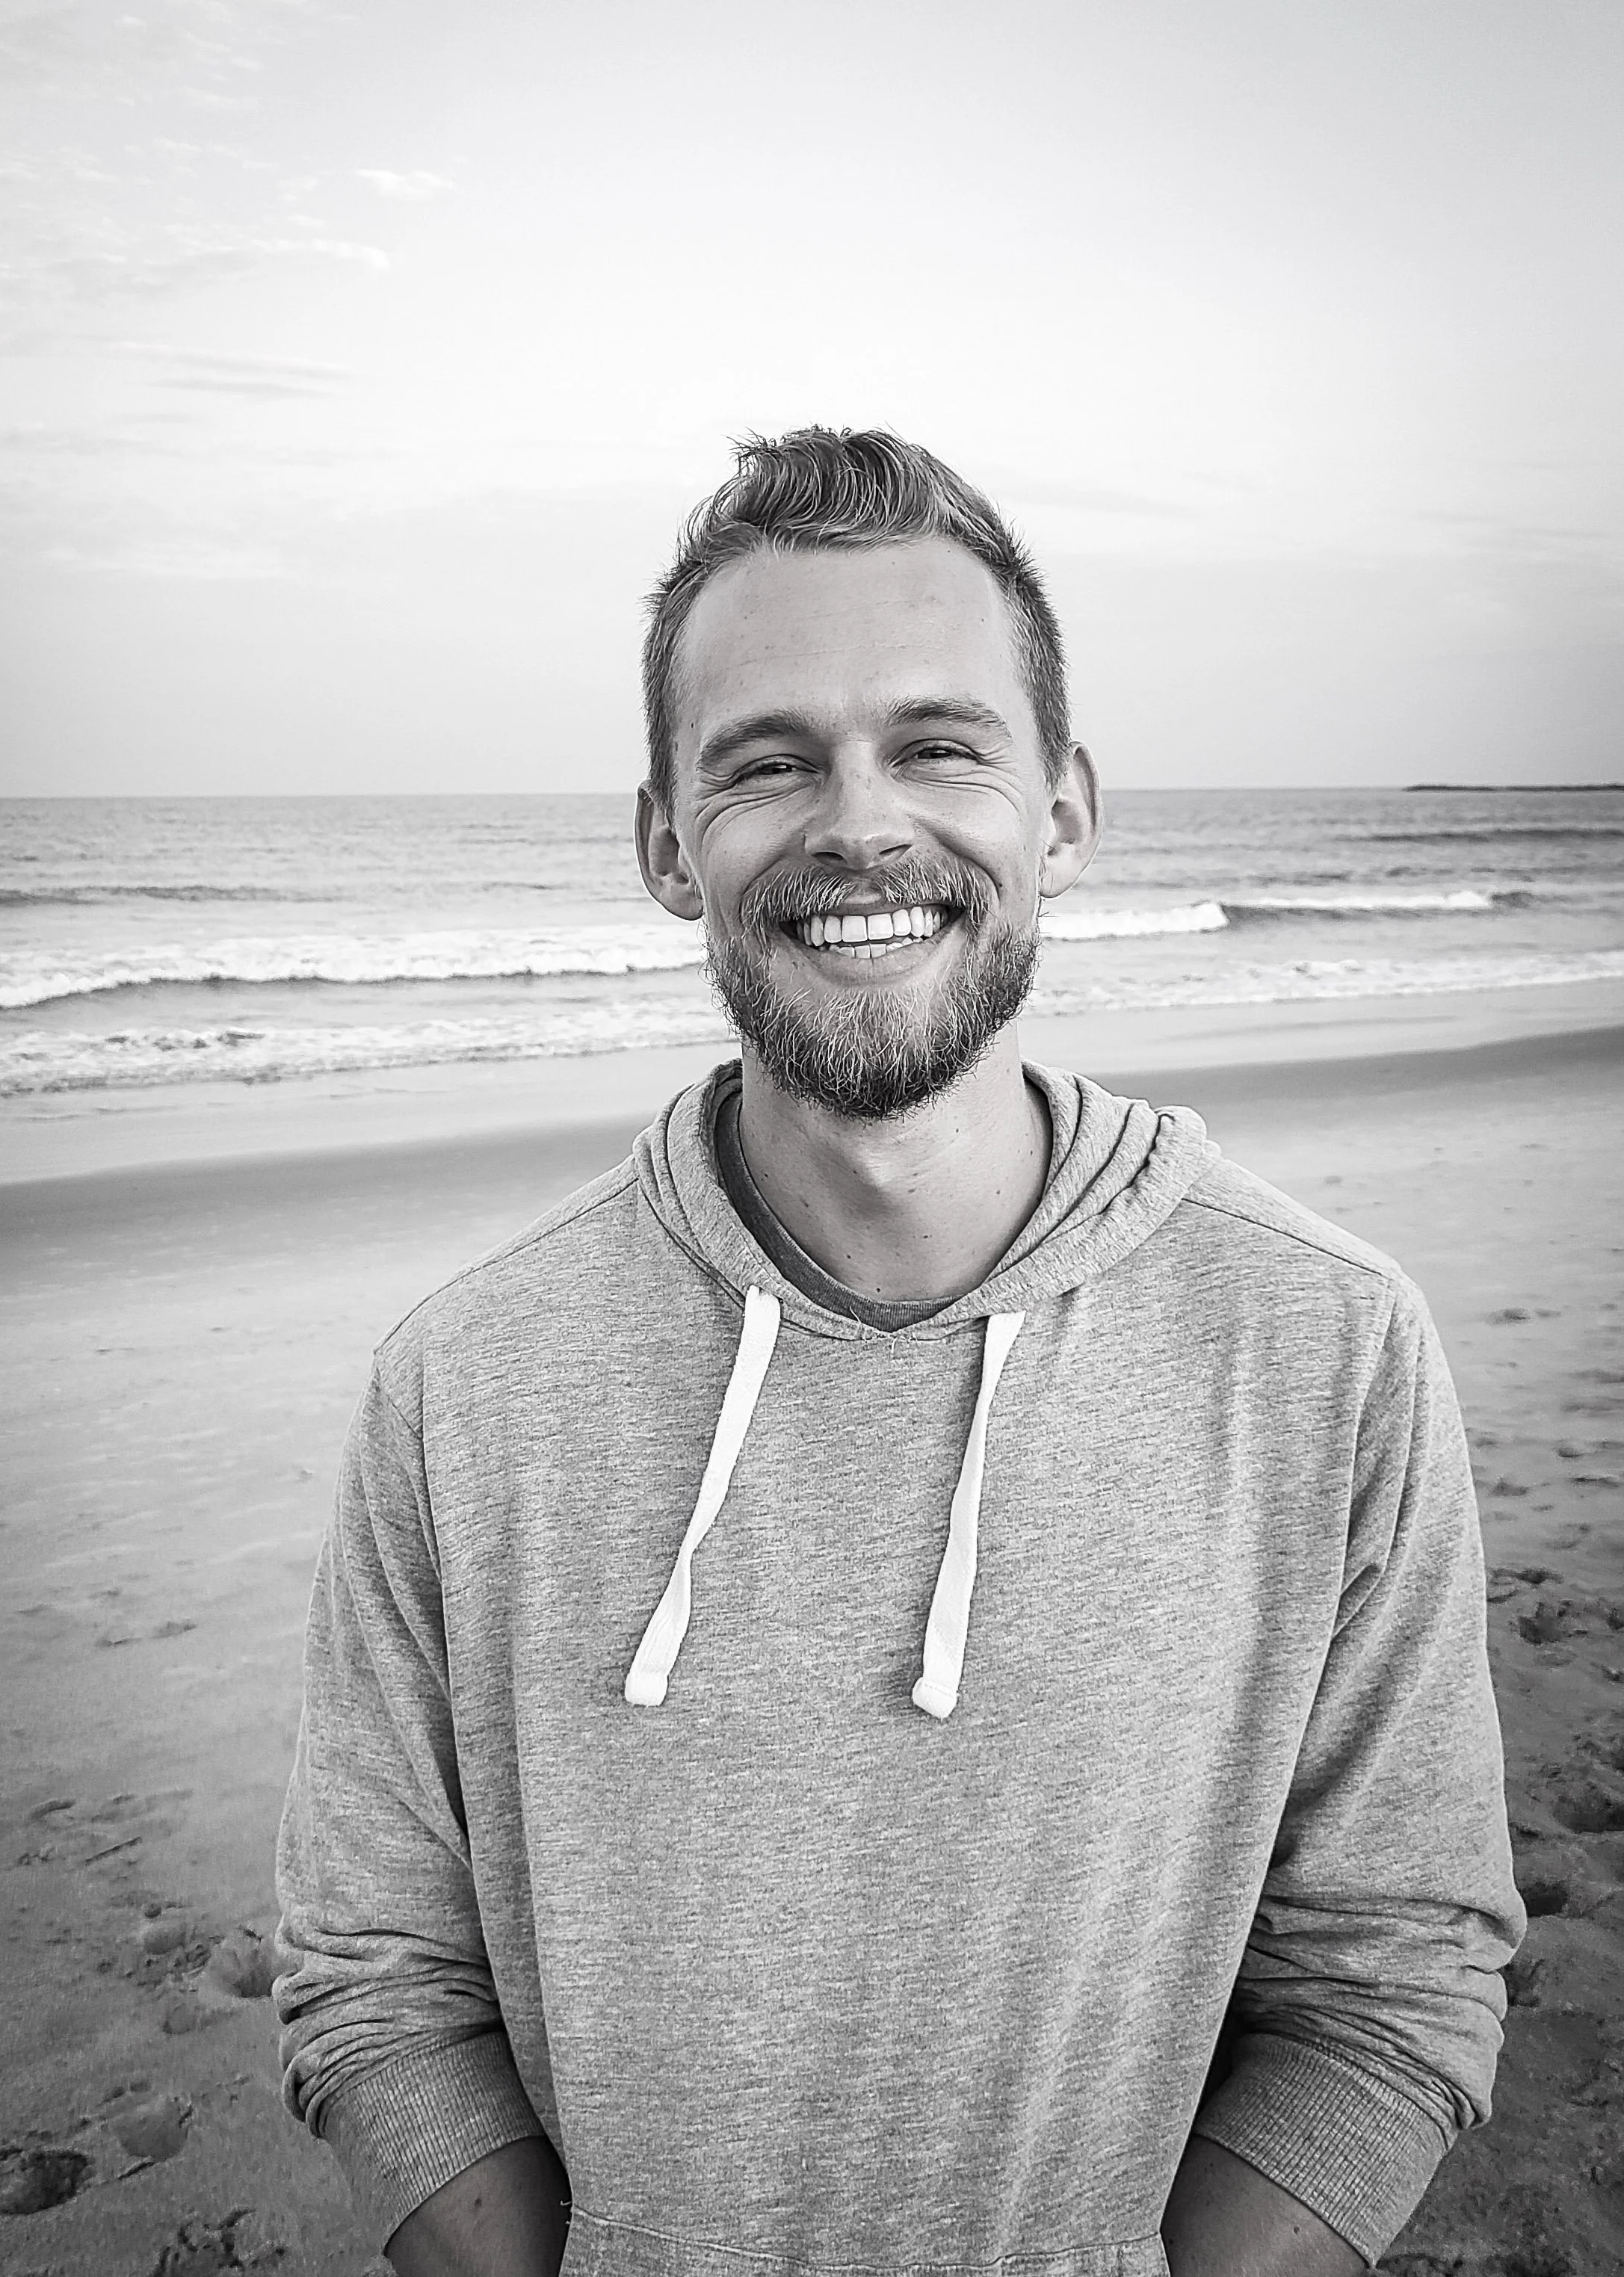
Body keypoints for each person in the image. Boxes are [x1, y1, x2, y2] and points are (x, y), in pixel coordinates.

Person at [274, 428, 1524, 2277]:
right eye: (767, 762)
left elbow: (1394, 1976)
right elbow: (376, 1983)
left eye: (938, 744)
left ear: (1067, 811)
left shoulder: (1323, 1341)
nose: (862, 823)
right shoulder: (464, 1383)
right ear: (665, 845)